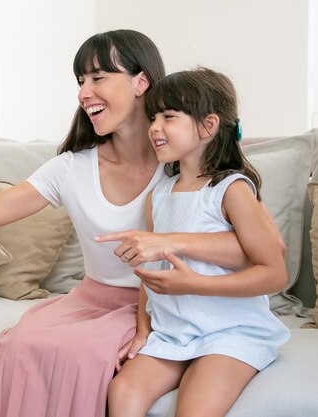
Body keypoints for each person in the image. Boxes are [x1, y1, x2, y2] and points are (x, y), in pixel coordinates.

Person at [0, 30, 270, 417]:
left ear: (141, 82)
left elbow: (258, 251)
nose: (83, 93)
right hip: (91, 302)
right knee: (18, 347)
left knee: (81, 357)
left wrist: (165, 250)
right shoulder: (71, 168)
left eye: (98, 77)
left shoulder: (181, 158)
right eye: (80, 80)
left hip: (156, 307)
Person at [107, 67, 290, 417]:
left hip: (231, 332)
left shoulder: (231, 189)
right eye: (153, 117)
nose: (155, 127)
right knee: (123, 391)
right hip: (173, 333)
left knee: (194, 410)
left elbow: (275, 274)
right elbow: (151, 273)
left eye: (168, 117)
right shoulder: (158, 195)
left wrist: (196, 284)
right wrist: (144, 330)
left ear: (208, 126)